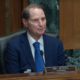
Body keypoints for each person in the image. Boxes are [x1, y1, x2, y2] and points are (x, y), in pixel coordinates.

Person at [5, 4, 66, 74]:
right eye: (35, 20)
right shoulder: (14, 46)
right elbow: (13, 77)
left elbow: (63, 73)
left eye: (43, 19)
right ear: (25, 22)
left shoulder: (56, 44)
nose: (41, 24)